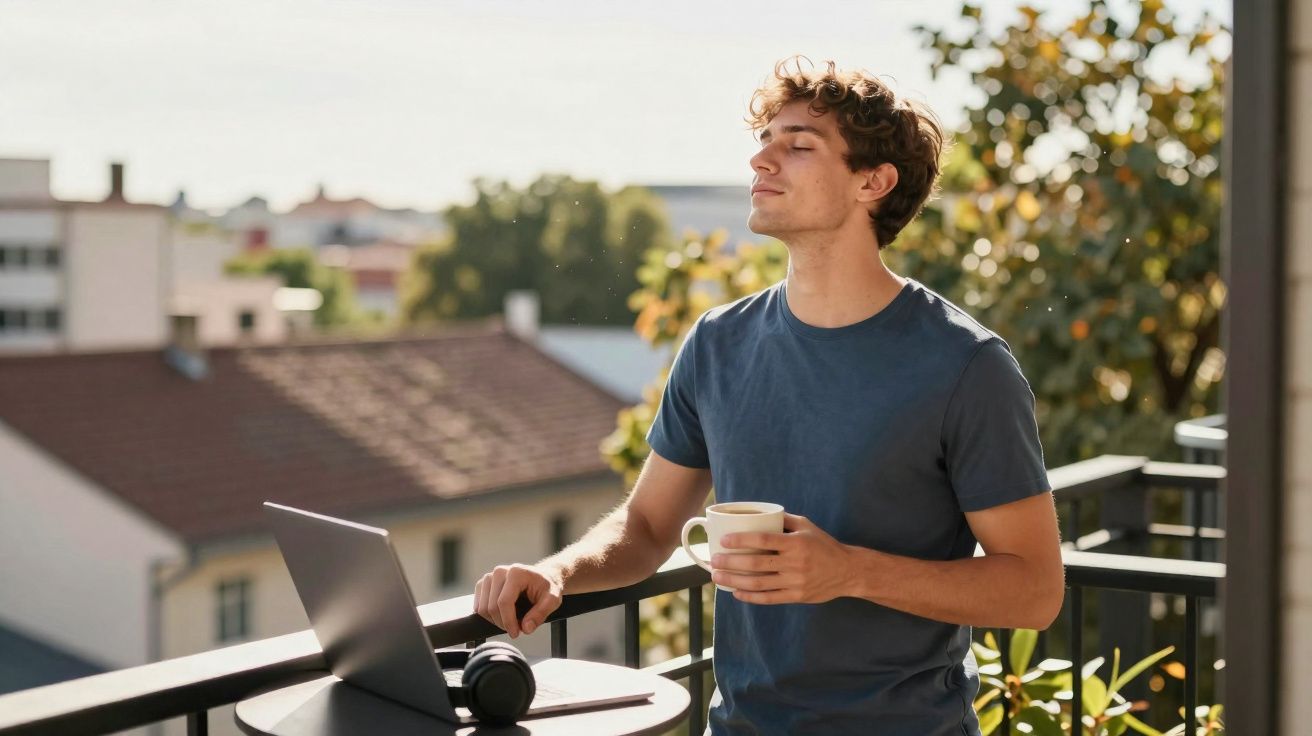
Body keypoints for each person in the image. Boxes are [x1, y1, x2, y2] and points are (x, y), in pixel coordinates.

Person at [474, 57, 1064, 735]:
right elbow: (644, 530)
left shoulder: (967, 366)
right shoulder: (717, 343)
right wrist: (556, 572)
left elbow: (1035, 590)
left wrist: (848, 572)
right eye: (763, 141)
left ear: (873, 181)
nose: (762, 160)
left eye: (798, 145)